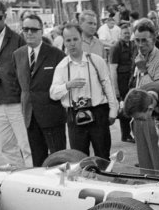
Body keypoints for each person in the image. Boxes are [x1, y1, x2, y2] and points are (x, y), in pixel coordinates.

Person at [50, 21, 118, 160]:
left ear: (81, 39)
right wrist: (67, 85)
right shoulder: (62, 67)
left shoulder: (96, 61)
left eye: (75, 39)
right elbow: (53, 94)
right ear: (64, 42)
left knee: (103, 156)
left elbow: (107, 86)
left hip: (98, 112)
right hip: (75, 116)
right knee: (79, 159)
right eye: (68, 40)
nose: (72, 43)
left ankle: (104, 180)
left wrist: (113, 110)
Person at [0, 0, 32, 168]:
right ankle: (17, 176)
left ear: (5, 17)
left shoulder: (18, 39)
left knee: (26, 145)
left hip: (16, 100)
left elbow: (28, 70)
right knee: (7, 146)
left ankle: (34, 179)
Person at [13, 13, 66, 167]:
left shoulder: (56, 54)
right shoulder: (18, 55)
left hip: (52, 116)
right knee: (37, 162)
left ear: (41, 31)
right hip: (30, 116)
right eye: (26, 29)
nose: (29, 33)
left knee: (58, 161)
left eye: (34, 29)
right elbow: (19, 84)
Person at [126, 19, 159, 170]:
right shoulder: (139, 56)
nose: (140, 45)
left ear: (154, 39)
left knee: (156, 164)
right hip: (140, 118)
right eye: (137, 41)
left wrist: (143, 70)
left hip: (154, 118)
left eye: (144, 41)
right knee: (145, 164)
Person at [109, 22, 134, 142]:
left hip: (131, 80)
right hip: (121, 81)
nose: (127, 35)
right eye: (125, 33)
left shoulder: (133, 45)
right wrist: (116, 89)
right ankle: (125, 135)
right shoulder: (116, 47)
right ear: (120, 34)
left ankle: (130, 133)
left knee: (131, 106)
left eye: (129, 33)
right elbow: (113, 69)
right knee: (123, 108)